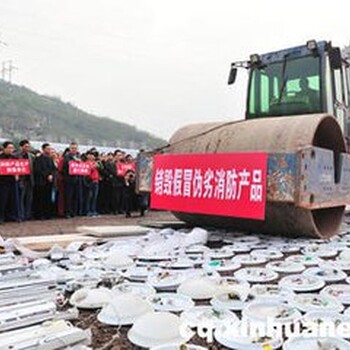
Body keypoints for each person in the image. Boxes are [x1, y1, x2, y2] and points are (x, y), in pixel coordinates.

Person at [33, 143, 56, 219]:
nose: (49, 150)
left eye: (50, 149)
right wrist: (47, 175)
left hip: (49, 182)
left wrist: (51, 175)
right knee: (40, 198)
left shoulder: (50, 158)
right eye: (47, 149)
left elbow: (53, 169)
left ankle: (47, 214)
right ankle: (40, 214)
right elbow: (38, 169)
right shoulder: (38, 158)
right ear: (43, 149)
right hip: (41, 181)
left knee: (48, 198)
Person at [16, 140, 35, 221]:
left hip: (29, 180)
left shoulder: (31, 156)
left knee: (29, 199)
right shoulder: (16, 156)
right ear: (21, 147)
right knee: (20, 199)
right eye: (26, 146)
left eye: (28, 146)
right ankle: (20, 215)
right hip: (21, 180)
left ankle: (27, 215)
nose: (27, 148)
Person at [0, 141, 19, 224]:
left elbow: (19, 168)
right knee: (2, 200)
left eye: (12, 148)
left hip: (12, 181)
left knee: (12, 200)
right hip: (2, 182)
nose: (11, 150)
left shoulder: (15, 158)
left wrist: (17, 174)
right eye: (9, 148)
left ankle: (11, 216)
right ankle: (1, 217)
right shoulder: (1, 158)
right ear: (4, 148)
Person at [62, 142, 80, 218]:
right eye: (72, 148)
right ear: (70, 149)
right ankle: (67, 212)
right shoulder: (66, 157)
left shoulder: (77, 157)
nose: (74, 150)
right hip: (68, 179)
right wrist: (73, 163)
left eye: (75, 148)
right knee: (68, 197)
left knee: (75, 196)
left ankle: (73, 212)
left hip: (76, 179)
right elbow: (65, 166)